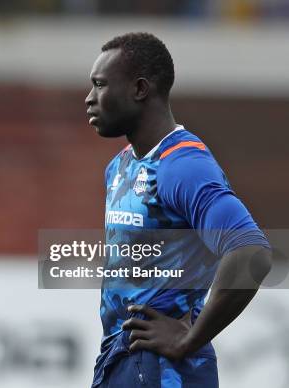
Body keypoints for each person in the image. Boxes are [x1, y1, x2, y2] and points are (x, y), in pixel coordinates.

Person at [85, 32, 271, 387]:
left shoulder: (182, 165)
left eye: (100, 85)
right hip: (121, 359)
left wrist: (190, 339)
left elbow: (251, 252)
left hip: (164, 369)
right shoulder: (121, 165)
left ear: (140, 89)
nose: (89, 98)